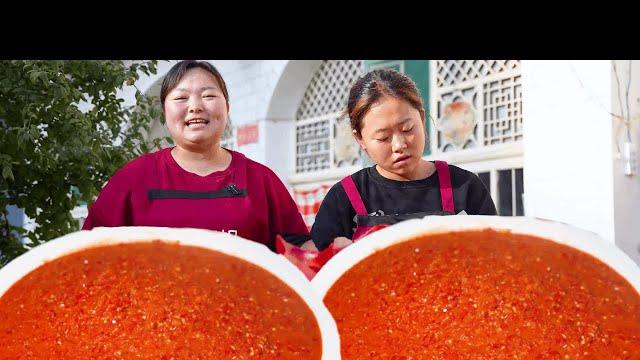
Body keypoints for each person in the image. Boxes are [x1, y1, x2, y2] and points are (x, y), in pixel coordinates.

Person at [82, 60, 314, 252]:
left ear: (227, 108)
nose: (195, 106)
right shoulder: (133, 179)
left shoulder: (259, 179)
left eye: (208, 96)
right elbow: (90, 252)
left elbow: (299, 251)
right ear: (165, 113)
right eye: (181, 98)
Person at [311, 68, 497, 250]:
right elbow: (318, 271)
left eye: (407, 129)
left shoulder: (465, 186)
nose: (399, 145)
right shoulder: (343, 198)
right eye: (384, 137)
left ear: (422, 118)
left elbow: (494, 255)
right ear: (360, 138)